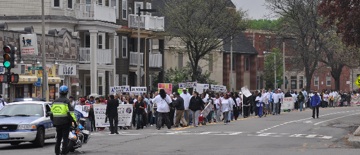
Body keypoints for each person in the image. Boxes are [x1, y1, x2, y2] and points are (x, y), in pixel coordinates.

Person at [50, 85, 76, 155]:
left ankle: (57, 152)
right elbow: (71, 113)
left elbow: (51, 113)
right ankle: (64, 152)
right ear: (67, 92)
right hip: (65, 122)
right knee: (65, 138)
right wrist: (74, 121)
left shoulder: (55, 101)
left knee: (58, 138)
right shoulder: (66, 101)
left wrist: (53, 121)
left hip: (57, 123)